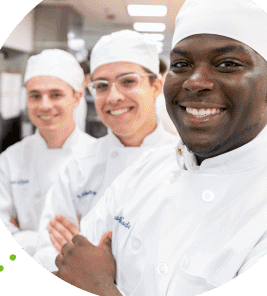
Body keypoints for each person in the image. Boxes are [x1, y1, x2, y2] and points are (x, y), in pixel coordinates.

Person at [54, 0, 267, 296]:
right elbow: (74, 262)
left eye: (227, 64)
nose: (195, 82)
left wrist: (99, 287)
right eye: (181, 65)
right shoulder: (144, 173)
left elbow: (83, 275)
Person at [31, 31, 177, 273]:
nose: (114, 96)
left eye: (128, 81)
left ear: (156, 86)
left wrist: (83, 248)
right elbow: (46, 251)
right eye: (101, 86)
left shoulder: (186, 162)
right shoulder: (78, 167)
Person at [0, 49, 93, 252]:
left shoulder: (98, 157)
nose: (44, 105)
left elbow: (99, 238)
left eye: (56, 95)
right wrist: (59, 242)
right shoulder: (10, 161)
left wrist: (22, 236)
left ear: (77, 98)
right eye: (35, 95)